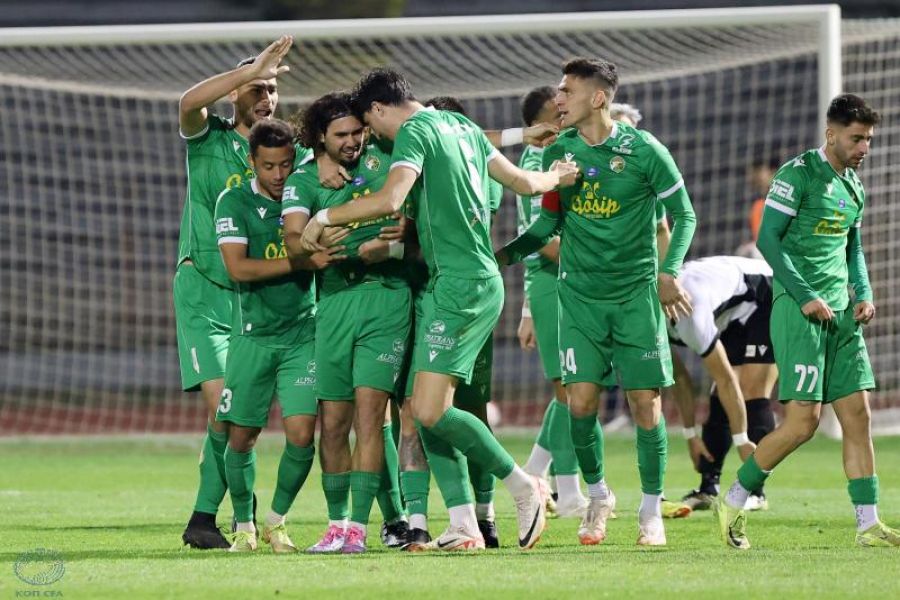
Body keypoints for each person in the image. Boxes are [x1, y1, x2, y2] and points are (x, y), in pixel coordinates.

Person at [298, 67, 579, 551]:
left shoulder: (413, 132)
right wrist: (554, 174)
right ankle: (464, 522)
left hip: (459, 286)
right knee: (426, 408)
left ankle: (522, 485)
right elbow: (524, 182)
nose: (371, 138)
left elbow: (391, 197)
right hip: (461, 282)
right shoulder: (458, 126)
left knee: (430, 409)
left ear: (379, 109)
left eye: (369, 125)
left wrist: (324, 216)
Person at [497, 57, 696, 546]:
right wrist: (500, 256)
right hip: (579, 298)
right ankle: (598, 495)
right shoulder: (557, 151)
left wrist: (669, 271)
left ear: (598, 97)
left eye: (567, 91)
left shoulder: (645, 150)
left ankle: (650, 510)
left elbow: (684, 214)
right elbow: (546, 226)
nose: (559, 98)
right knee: (580, 403)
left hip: (634, 297)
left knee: (645, 404)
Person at [715, 93, 900, 549]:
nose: (864, 148)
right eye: (856, 139)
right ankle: (734, 498)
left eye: (868, 139)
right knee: (803, 423)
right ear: (830, 134)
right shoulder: (797, 175)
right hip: (799, 311)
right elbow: (768, 241)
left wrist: (864, 293)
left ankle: (868, 524)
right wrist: (805, 296)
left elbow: (852, 247)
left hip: (841, 316)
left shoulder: (854, 185)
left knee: (858, 416)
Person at [177, 36, 301, 549]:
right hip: (204, 292)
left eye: (271, 89)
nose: (266, 96)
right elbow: (188, 103)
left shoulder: (285, 156)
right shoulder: (208, 140)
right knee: (225, 412)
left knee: (237, 416)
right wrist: (250, 70)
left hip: (253, 299)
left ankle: (216, 520)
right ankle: (213, 520)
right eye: (256, 89)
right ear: (235, 94)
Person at [281, 92, 410, 554]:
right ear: (320, 137)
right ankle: (336, 525)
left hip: (386, 298)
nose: (353, 141)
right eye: (341, 135)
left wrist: (402, 238)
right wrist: (311, 246)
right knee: (333, 424)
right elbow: (292, 240)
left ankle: (359, 528)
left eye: (358, 132)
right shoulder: (304, 179)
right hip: (334, 304)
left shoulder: (387, 157)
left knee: (371, 418)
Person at [213, 119, 343, 552]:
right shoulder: (234, 201)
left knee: (303, 436)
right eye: (268, 166)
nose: (278, 174)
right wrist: (301, 261)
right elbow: (238, 268)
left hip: (303, 335)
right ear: (252, 162)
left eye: (286, 164)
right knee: (240, 438)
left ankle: (276, 522)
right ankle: (244, 525)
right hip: (252, 337)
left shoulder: (305, 193)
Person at [515, 85, 589, 518]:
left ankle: (535, 472)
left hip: (566, 282)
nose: (563, 118)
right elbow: (540, 240)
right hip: (554, 281)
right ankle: (570, 493)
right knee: (571, 390)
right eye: (555, 115)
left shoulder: (564, 153)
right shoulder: (533, 162)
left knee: (575, 387)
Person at [665, 256, 777, 512]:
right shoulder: (642, 321)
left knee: (751, 389)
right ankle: (709, 488)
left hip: (765, 293)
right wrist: (690, 435)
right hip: (731, 309)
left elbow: (726, 379)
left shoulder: (688, 315)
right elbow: (678, 378)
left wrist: (742, 440)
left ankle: (755, 492)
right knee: (720, 394)